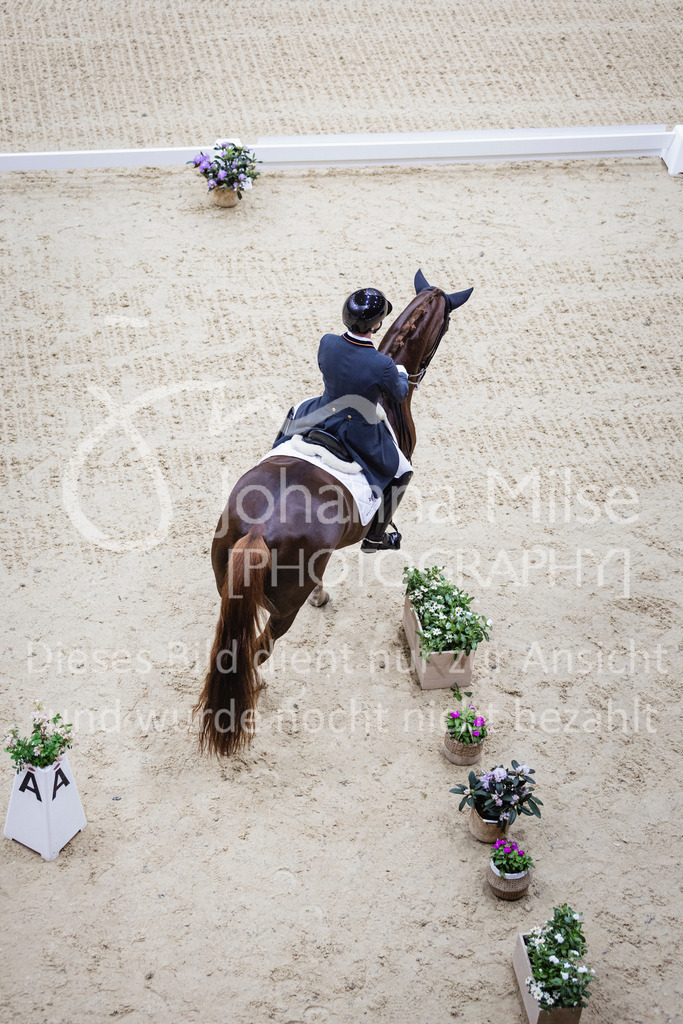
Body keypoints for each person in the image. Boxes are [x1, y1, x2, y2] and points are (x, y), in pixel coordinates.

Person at [273, 287, 413, 551]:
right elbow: (398, 394)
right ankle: (374, 538)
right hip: (359, 430)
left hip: (322, 411)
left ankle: (277, 451)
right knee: (402, 471)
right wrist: (402, 373)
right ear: (378, 324)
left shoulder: (327, 342)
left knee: (294, 411)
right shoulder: (381, 365)